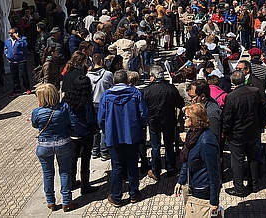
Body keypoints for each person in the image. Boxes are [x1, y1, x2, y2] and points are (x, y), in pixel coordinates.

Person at [97, 69, 149, 207]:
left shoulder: (106, 96)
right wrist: (142, 127)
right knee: (132, 164)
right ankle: (134, 194)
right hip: (132, 135)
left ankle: (116, 196)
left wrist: (105, 130)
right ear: (126, 81)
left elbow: (101, 117)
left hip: (113, 136)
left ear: (114, 81)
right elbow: (143, 114)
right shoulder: (135, 93)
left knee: (117, 166)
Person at [31, 83, 78, 212]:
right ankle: (67, 201)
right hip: (63, 143)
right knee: (64, 172)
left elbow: (35, 125)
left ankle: (50, 201)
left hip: (44, 145)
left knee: (47, 174)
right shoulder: (64, 107)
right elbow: (73, 122)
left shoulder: (36, 112)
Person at [222, 70, 264, 196]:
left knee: (238, 160)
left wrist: (225, 131)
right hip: (252, 131)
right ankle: (254, 184)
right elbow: (260, 109)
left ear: (232, 82)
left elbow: (227, 118)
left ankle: (239, 188)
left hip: (237, 134)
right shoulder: (254, 92)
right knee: (252, 157)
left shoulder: (231, 97)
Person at [174, 103, 220, 217]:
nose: (184, 119)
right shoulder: (192, 135)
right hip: (192, 185)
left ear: (195, 120)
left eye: (187, 117)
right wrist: (181, 180)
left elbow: (214, 174)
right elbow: (187, 160)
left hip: (201, 189)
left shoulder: (206, 142)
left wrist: (214, 201)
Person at [143, 65, 183, 181]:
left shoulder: (147, 90)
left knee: (155, 147)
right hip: (169, 121)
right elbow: (179, 103)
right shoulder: (170, 88)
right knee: (168, 145)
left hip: (154, 122)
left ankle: (156, 171)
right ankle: (171, 168)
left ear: (153, 77)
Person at [62, 76, 99, 195]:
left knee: (72, 159)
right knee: (85, 159)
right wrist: (96, 127)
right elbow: (90, 118)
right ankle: (85, 185)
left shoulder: (67, 99)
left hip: (71, 133)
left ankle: (72, 182)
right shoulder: (86, 101)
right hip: (85, 134)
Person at [4, 27, 31, 97]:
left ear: (16, 33)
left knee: (23, 75)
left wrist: (18, 38)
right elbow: (5, 48)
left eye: (12, 33)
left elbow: (24, 45)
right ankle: (16, 90)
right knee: (14, 77)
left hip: (21, 60)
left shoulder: (23, 39)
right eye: (9, 33)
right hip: (12, 61)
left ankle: (27, 87)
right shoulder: (7, 41)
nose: (10, 34)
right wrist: (6, 55)